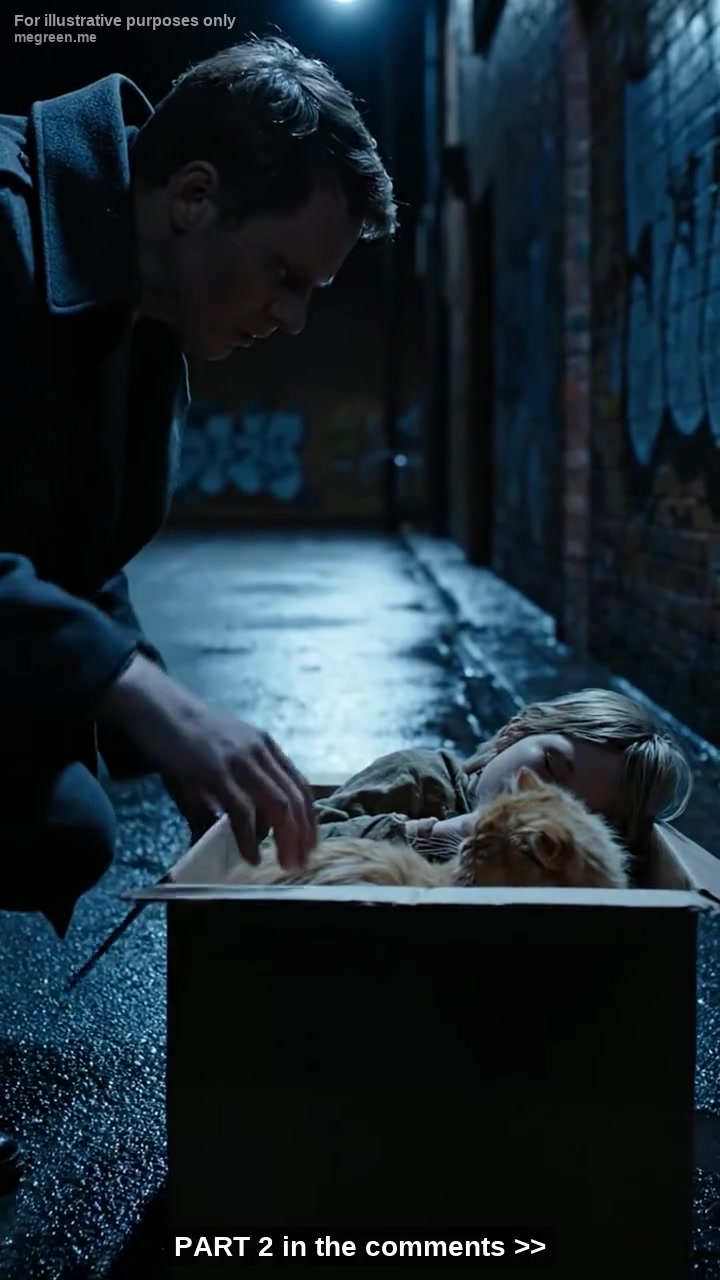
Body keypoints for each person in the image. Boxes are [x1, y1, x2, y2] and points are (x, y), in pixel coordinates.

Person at [0, 35, 396, 1183]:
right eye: (285, 275)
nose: (296, 319)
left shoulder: (138, 307)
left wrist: (162, 716)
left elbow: (70, 546)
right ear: (193, 196)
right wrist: (135, 692)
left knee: (61, 818)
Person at [311, 688, 693, 875]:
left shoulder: (554, 863)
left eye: (580, 813)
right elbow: (287, 845)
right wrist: (430, 833)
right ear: (516, 731)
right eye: (550, 767)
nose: (542, 805)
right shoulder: (416, 777)